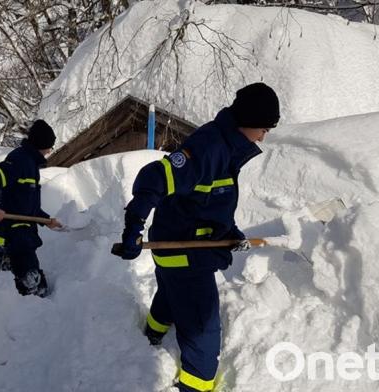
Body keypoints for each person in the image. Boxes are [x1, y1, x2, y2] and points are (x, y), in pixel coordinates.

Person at [113, 83, 280, 391]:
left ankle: (152, 331)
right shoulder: (209, 148)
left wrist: (228, 233)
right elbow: (155, 177)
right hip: (184, 250)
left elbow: (207, 201)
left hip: (182, 242)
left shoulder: (227, 147)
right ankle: (196, 385)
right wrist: (133, 224)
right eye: (264, 128)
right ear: (248, 121)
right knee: (203, 325)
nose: (264, 136)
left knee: (171, 291)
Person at [0, 119, 62, 297]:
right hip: (13, 231)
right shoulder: (21, 161)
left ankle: (16, 305)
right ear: (41, 144)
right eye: (50, 146)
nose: (50, 150)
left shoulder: (30, 163)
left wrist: (47, 220)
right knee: (29, 277)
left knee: (13, 277)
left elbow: (27, 203)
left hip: (20, 229)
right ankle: (34, 312)